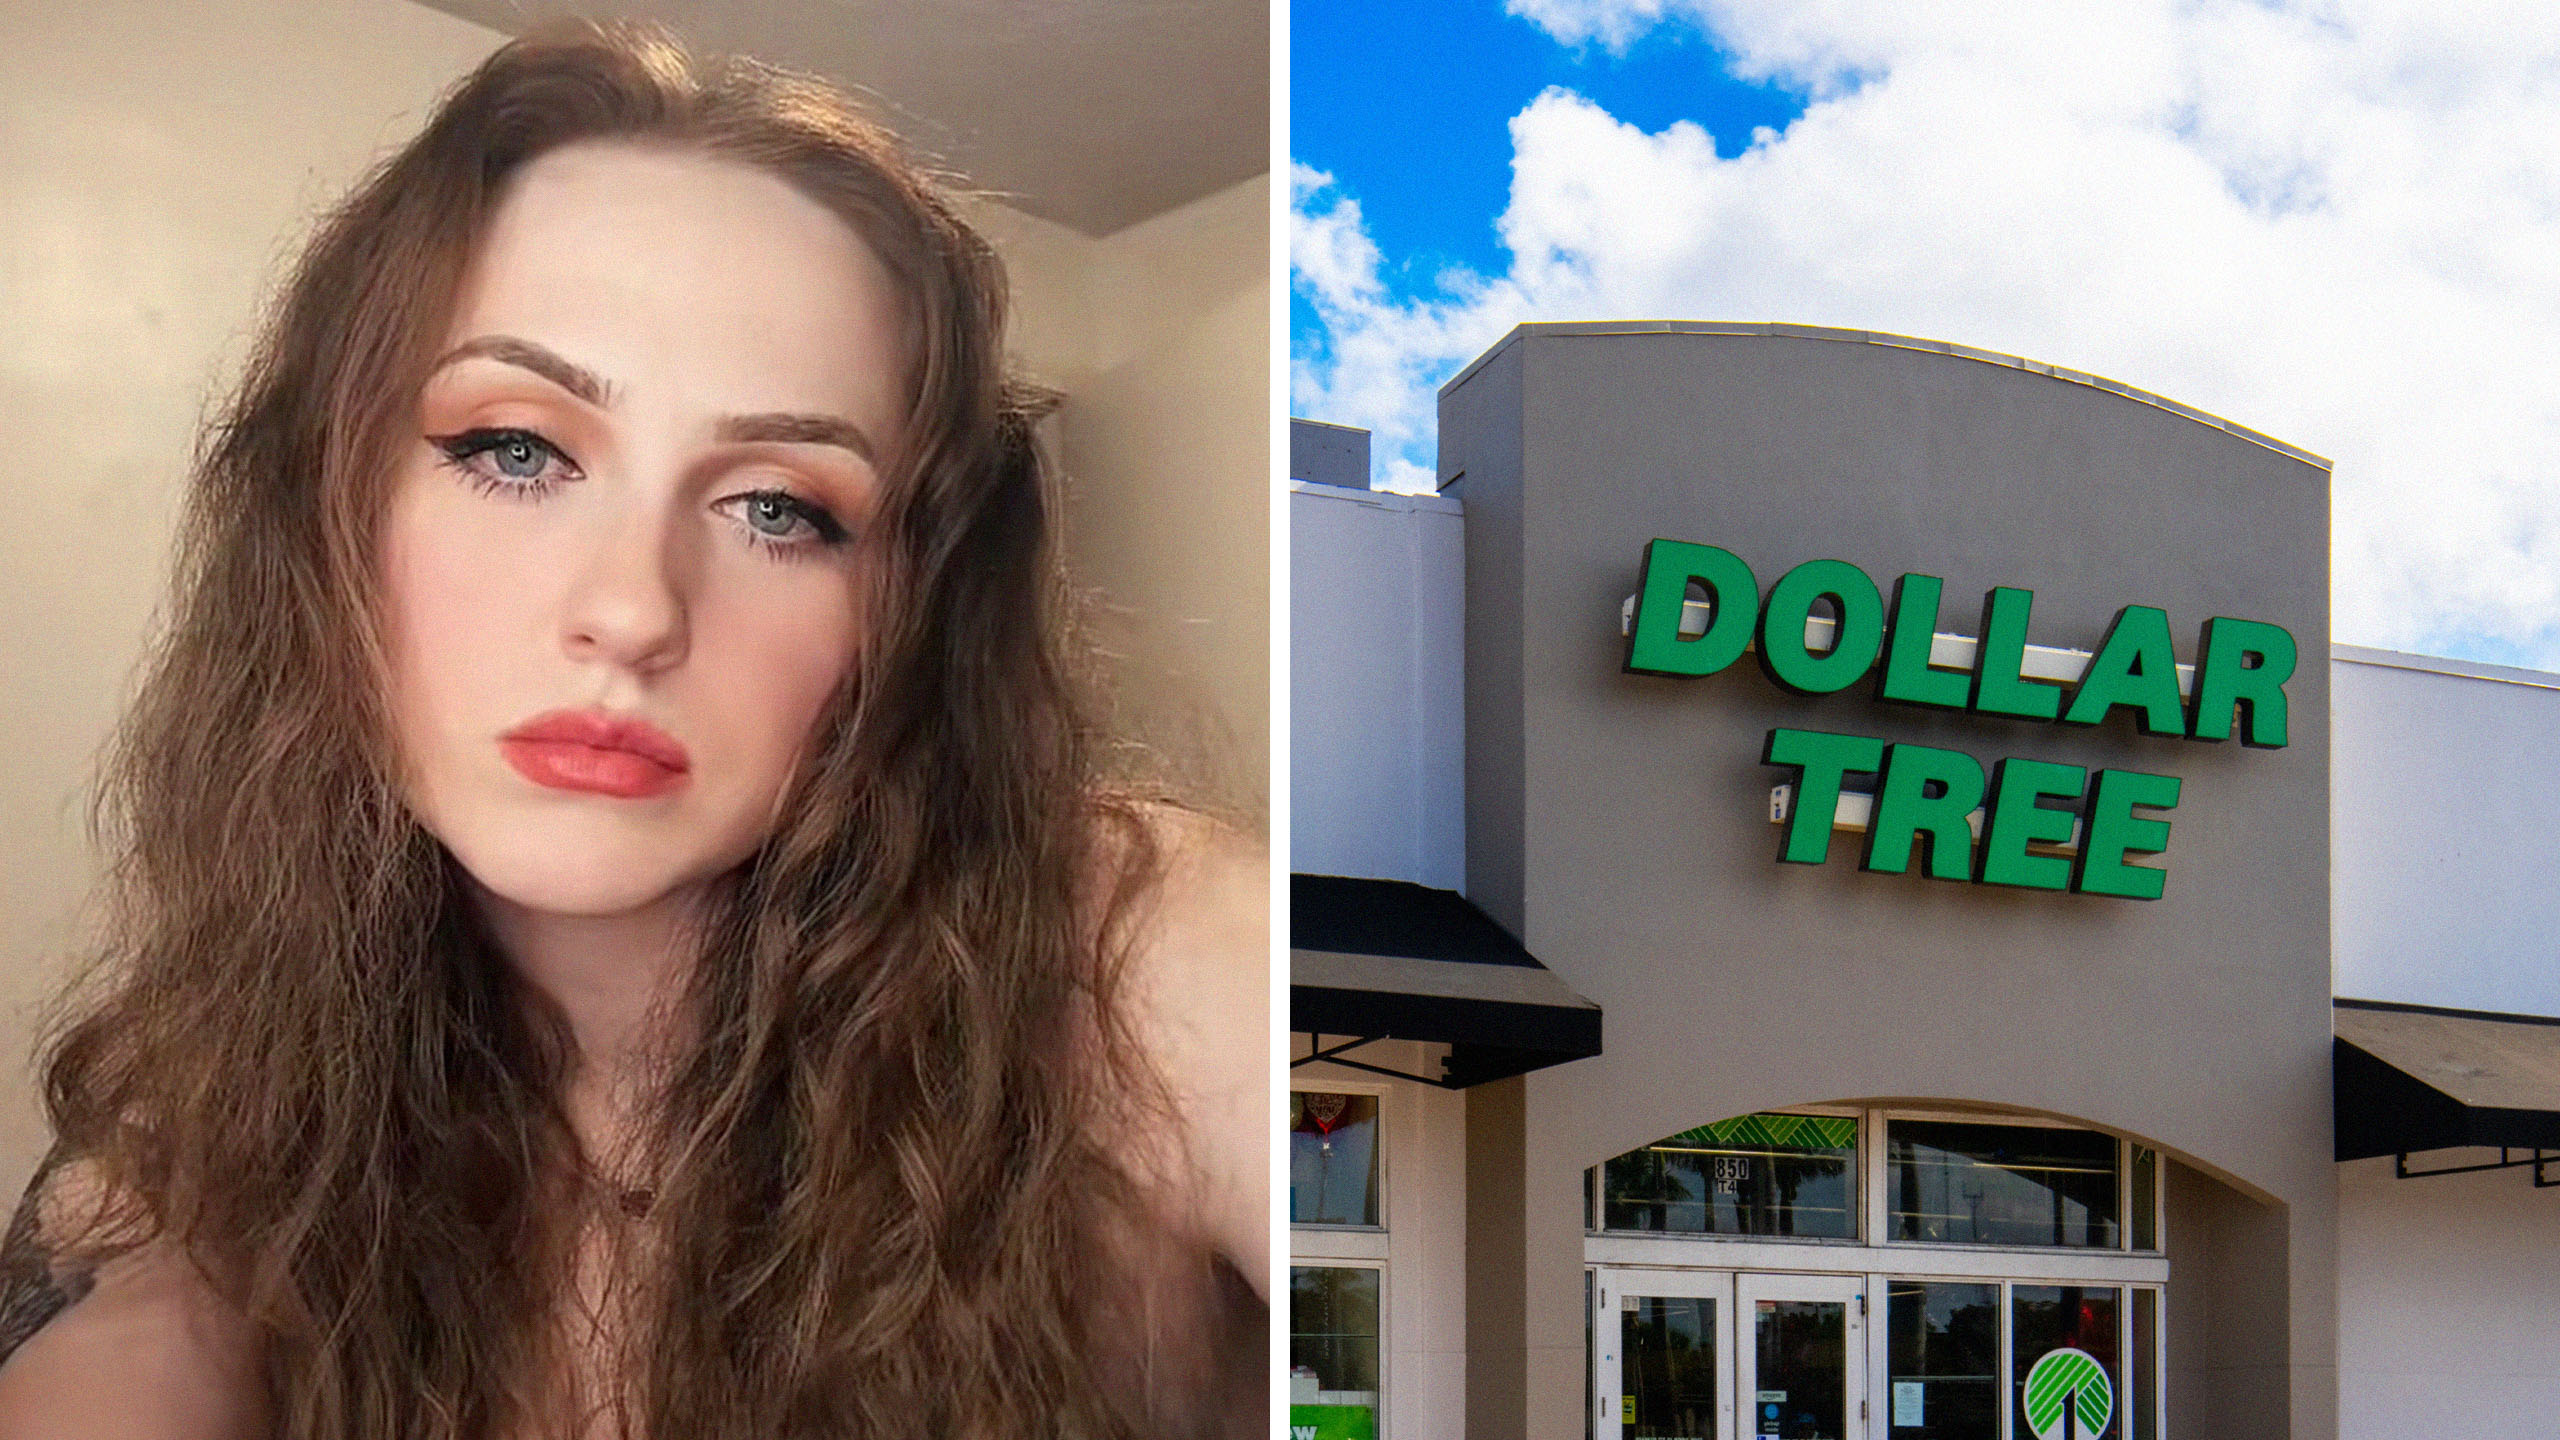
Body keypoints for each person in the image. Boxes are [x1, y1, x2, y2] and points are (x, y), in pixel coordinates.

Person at [0, 21, 1265, 1440]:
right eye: (516, 450)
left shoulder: (1139, 961)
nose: (631, 609)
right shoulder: (205, 1108)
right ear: (328, 511)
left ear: (910, 619)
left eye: (780, 507)